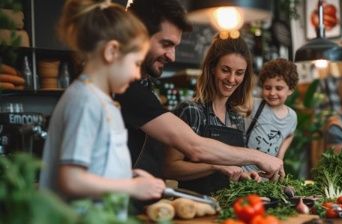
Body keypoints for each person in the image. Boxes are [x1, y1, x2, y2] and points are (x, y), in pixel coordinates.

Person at [114, 0, 283, 193]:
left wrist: (239, 170)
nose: (172, 57)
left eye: (239, 73)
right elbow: (194, 147)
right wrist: (258, 157)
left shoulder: (139, 87)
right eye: (166, 44)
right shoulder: (126, 89)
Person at [39, 0, 165, 207]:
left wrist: (126, 176)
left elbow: (95, 167)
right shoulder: (84, 101)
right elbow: (71, 179)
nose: (136, 74)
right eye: (136, 63)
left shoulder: (104, 101)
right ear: (112, 52)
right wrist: (131, 187)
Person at [163, 35, 263, 195]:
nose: (231, 79)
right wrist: (214, 167)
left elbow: (231, 168)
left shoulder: (237, 117)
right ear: (212, 68)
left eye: (239, 73)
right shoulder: (191, 111)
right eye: (225, 70)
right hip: (195, 207)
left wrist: (243, 174)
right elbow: (169, 167)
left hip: (227, 208)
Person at [244, 58, 298, 175]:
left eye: (279, 88)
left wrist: (280, 157)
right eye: (268, 88)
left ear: (291, 90)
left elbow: (290, 135)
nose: (272, 93)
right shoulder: (254, 104)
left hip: (266, 177)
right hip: (244, 172)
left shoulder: (292, 116)